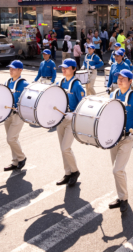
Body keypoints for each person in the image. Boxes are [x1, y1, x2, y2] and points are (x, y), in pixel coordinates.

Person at [108, 69, 133, 212]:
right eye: (118, 78)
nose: (119, 80)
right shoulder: (113, 95)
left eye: (123, 79)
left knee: (117, 169)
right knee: (118, 170)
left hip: (127, 138)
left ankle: (124, 198)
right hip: (113, 138)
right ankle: (120, 196)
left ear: (130, 81)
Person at [56, 58, 85, 187]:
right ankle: (67, 173)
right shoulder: (60, 82)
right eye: (63, 67)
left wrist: (72, 114)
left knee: (65, 147)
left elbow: (83, 105)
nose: (64, 69)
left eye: (67, 67)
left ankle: (75, 171)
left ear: (74, 69)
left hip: (71, 120)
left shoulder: (77, 85)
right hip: (60, 119)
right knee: (62, 149)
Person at [4, 60, 29, 171]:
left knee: (11, 139)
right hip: (7, 114)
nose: (11, 70)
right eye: (10, 68)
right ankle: (15, 161)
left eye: (14, 69)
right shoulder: (8, 82)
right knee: (13, 139)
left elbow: (30, 100)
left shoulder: (25, 84)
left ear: (20, 70)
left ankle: (21, 157)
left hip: (18, 115)